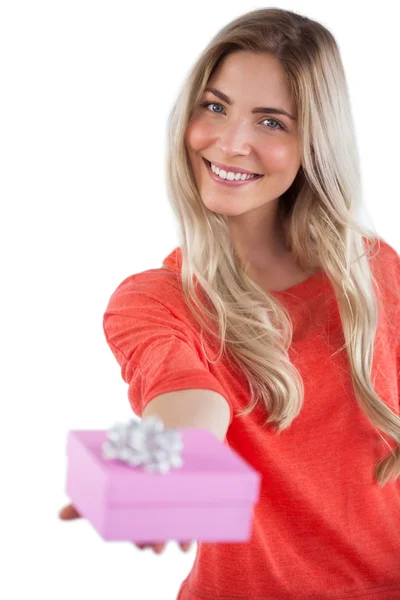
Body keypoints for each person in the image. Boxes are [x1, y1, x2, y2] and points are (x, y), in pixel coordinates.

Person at [59, 7, 400, 599]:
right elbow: (189, 402)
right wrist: (160, 469)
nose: (230, 142)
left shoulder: (374, 270)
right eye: (214, 107)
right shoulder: (155, 299)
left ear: (314, 143)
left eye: (271, 122)